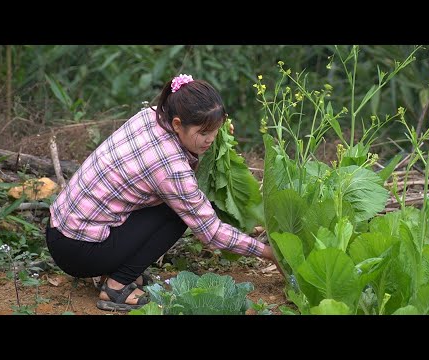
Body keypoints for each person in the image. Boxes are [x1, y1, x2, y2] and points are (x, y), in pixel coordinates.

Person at [46, 74, 278, 312]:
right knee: (179, 214)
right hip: (78, 251)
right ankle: (116, 286)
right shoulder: (170, 167)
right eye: (204, 132)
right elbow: (211, 232)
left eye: (215, 130)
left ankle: (115, 270)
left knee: (175, 205)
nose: (211, 139)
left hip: (61, 229)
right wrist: (268, 253)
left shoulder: (151, 115)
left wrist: (208, 130)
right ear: (178, 124)